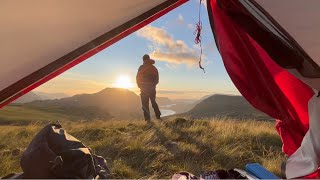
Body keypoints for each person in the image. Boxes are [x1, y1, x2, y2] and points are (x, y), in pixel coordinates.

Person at [136, 54, 161, 121]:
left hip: (144, 90)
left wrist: (140, 86)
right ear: (149, 59)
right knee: (153, 103)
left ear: (143, 60)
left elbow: (138, 78)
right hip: (152, 89)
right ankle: (158, 117)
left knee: (145, 105)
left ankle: (148, 120)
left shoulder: (141, 67)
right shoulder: (154, 68)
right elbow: (157, 80)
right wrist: (153, 86)